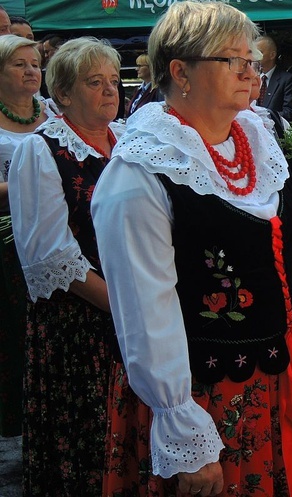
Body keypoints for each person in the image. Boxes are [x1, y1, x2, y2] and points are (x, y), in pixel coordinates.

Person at [90, 2, 292, 495]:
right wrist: (181, 422)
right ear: (180, 71)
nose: (250, 71)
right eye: (233, 59)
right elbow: (147, 312)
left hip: (277, 373)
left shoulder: (259, 142)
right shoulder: (139, 174)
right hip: (203, 394)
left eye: (251, 59)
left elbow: (291, 256)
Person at [8, 36, 122, 496]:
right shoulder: (40, 151)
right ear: (64, 94)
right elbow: (50, 254)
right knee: (88, 444)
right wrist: (125, 305)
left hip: (136, 314)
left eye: (114, 81)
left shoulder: (131, 141)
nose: (110, 91)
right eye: (94, 82)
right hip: (79, 325)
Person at [0, 34, 53, 439]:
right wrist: (28, 180)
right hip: (8, 239)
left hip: (56, 232)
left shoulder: (54, 112)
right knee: (15, 330)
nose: (31, 71)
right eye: (19, 64)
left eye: (34, 64)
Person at [255, 35, 292, 122]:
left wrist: (263, 118)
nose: (255, 57)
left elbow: (289, 113)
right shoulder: (252, 78)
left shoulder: (287, 79)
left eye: (259, 53)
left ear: (272, 55)